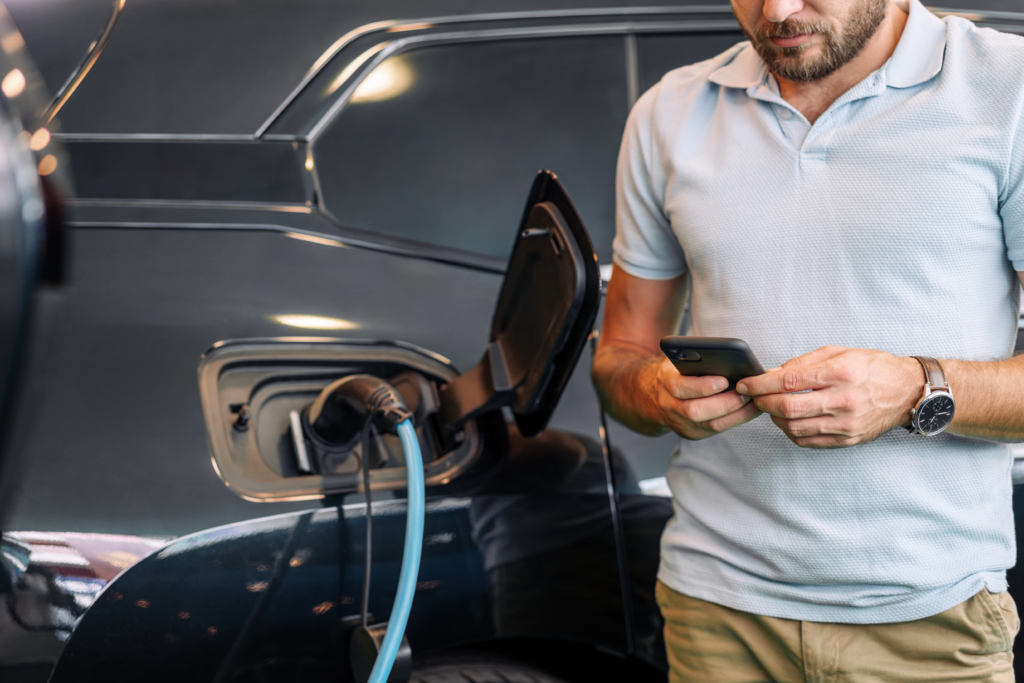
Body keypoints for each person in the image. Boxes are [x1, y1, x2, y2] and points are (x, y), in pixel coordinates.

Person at [591, 0, 1024, 679]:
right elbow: (620, 356)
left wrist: (916, 387)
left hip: (928, 623)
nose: (777, 10)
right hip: (715, 613)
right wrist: (655, 391)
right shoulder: (669, 112)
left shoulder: (1009, 90)